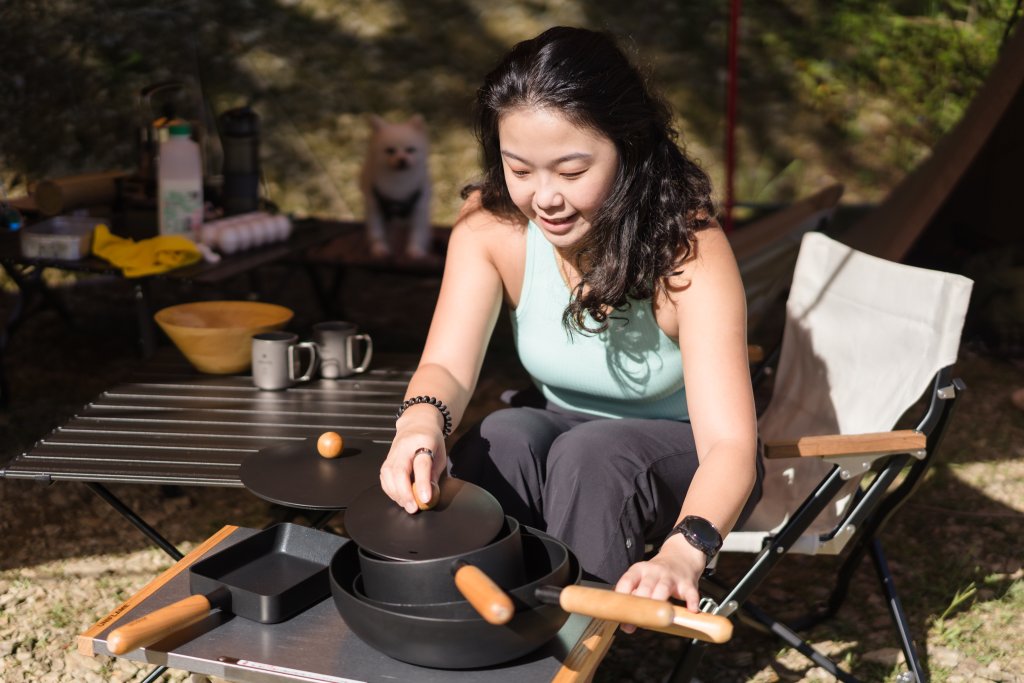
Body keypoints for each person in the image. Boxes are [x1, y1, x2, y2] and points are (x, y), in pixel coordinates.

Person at [379, 25, 762, 615]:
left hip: (689, 451)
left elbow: (731, 444)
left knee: (595, 454)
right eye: (520, 168)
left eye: (572, 170)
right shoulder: (491, 227)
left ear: (627, 147)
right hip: (565, 425)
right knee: (502, 435)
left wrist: (687, 550)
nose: (545, 198)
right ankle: (467, 623)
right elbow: (445, 365)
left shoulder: (688, 250)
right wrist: (418, 426)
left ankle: (574, 649)